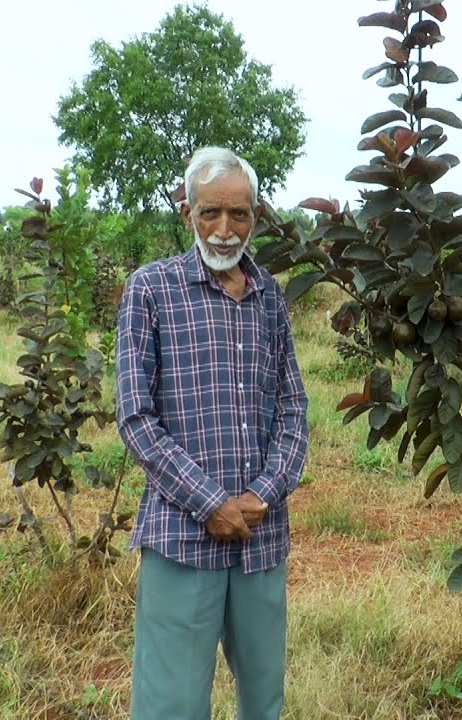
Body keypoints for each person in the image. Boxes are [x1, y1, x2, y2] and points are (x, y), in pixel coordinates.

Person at [116, 146, 309, 719]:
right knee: (170, 704)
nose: (225, 230)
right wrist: (211, 504)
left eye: (239, 214)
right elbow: (135, 417)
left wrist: (261, 495)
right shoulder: (151, 290)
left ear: (255, 216)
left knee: (263, 699)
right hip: (181, 537)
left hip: (260, 537)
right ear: (187, 213)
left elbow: (294, 410)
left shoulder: (270, 296)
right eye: (210, 214)